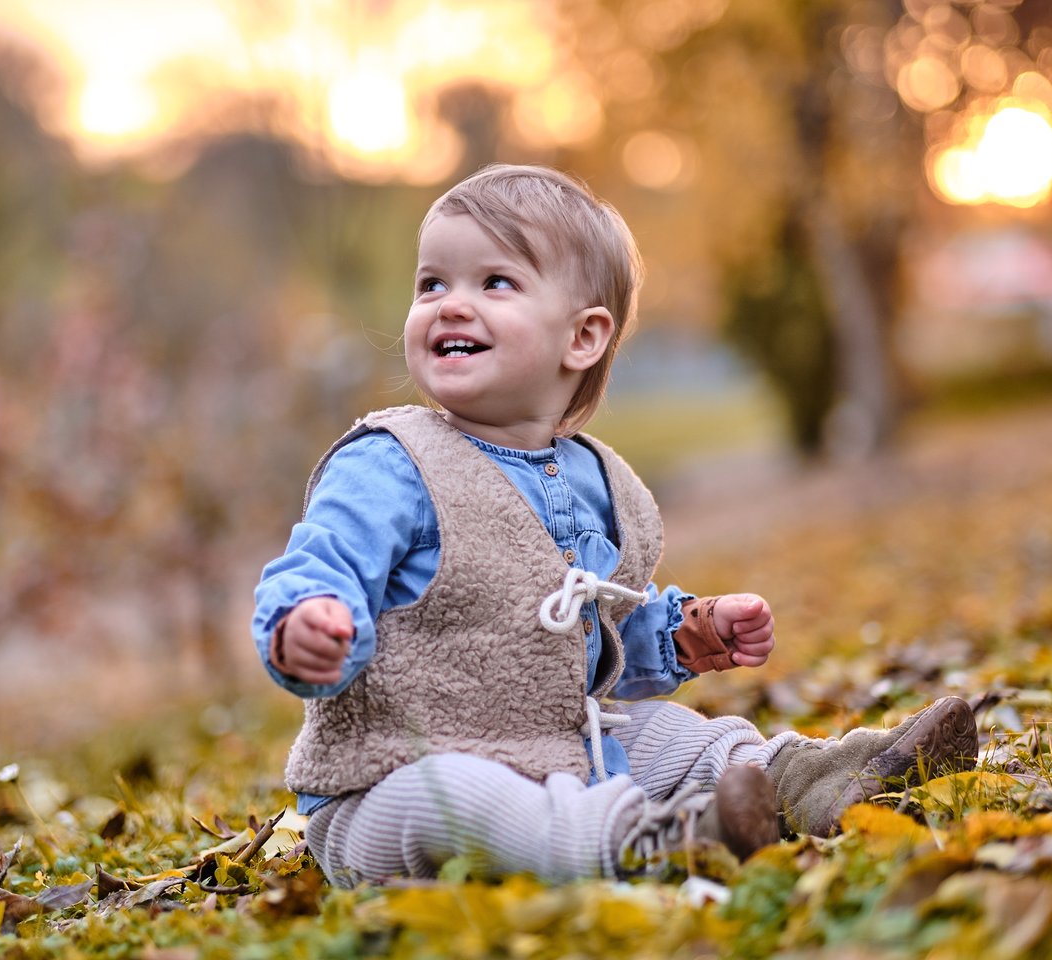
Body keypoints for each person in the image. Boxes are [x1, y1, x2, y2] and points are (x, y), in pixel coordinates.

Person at [252, 164, 977, 887]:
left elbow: (594, 630)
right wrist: (306, 621)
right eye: (431, 283)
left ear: (583, 337)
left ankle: (805, 780)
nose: (449, 305)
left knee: (681, 738)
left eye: (493, 282)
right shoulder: (392, 463)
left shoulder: (599, 485)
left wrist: (685, 630)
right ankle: (652, 841)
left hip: (559, 748)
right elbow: (322, 563)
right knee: (465, 799)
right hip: (390, 784)